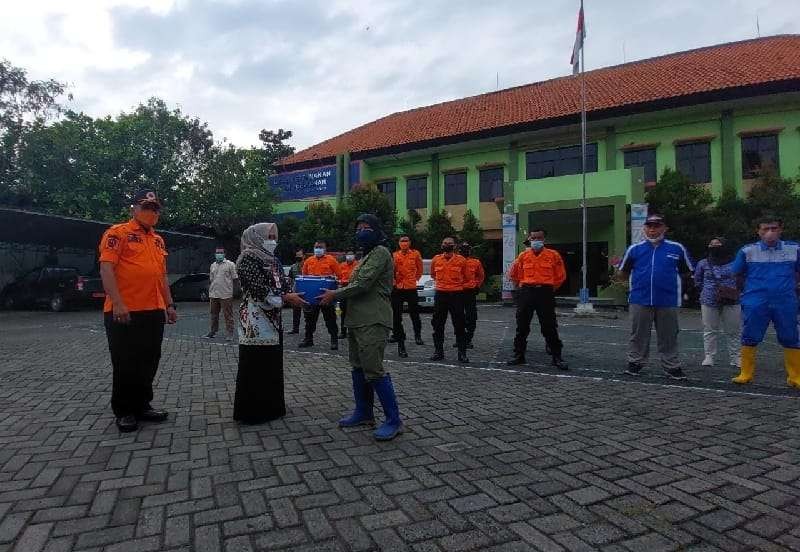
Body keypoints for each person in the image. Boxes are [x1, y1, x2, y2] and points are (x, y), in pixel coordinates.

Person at [98, 189, 178, 432]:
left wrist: (169, 304)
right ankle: (124, 411)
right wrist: (119, 303)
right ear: (133, 208)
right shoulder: (117, 233)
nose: (151, 212)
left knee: (149, 360)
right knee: (125, 362)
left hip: (153, 310)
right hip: (125, 310)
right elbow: (106, 269)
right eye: (146, 206)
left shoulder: (157, 240)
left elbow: (162, 276)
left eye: (155, 208)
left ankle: (143, 405)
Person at [319, 214, 402, 441]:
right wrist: (333, 287)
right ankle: (364, 412)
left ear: (376, 231)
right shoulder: (365, 257)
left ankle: (394, 420)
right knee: (358, 367)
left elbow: (363, 284)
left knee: (373, 369)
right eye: (358, 228)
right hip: (356, 320)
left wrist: (334, 294)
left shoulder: (381, 253)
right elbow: (354, 282)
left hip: (373, 320)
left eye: (366, 228)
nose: (360, 232)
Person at [233, 223, 306, 423]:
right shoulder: (247, 258)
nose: (272, 240)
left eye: (274, 236)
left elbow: (283, 284)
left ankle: (272, 407)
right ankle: (253, 411)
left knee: (272, 361)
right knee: (256, 363)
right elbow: (259, 288)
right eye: (269, 236)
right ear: (256, 237)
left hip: (273, 318)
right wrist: (286, 297)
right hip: (255, 318)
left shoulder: (272, 259)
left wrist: (290, 292)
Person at [619, 214, 693, 379]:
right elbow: (623, 272)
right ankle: (635, 363)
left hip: (668, 300)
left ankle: (672, 366)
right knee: (638, 334)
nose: (653, 229)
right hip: (639, 299)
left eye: (657, 226)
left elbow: (687, 272)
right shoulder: (634, 249)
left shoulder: (676, 248)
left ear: (664, 228)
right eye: (649, 226)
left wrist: (683, 292)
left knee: (669, 335)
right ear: (645, 228)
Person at [730, 216, 800, 387]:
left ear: (781, 230)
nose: (770, 233)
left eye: (774, 228)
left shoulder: (795, 249)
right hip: (755, 301)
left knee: (790, 336)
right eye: (765, 229)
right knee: (750, 335)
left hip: (785, 301)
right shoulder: (747, 251)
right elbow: (736, 273)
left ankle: (795, 377)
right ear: (758, 231)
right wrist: (746, 295)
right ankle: (745, 373)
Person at [506, 229, 568, 369]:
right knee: (522, 326)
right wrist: (521, 290)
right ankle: (519, 355)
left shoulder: (553, 255)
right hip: (526, 291)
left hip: (545, 293)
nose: (536, 240)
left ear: (544, 239)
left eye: (539, 237)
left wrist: (548, 288)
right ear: (530, 239)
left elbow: (560, 276)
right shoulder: (523, 256)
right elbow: (514, 274)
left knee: (549, 326)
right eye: (533, 238)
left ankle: (556, 356)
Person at [693, 238, 741, 368]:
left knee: (733, 330)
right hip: (708, 300)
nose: (714, 247)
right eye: (711, 244)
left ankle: (736, 357)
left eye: (718, 245)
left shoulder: (736, 262)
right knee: (709, 329)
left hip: (732, 300)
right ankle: (709, 356)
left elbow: (742, 278)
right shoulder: (703, 263)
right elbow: (697, 280)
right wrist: (706, 290)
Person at [430, 236, 470, 363]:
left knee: (459, 324)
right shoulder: (436, 259)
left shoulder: (461, 260)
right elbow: (433, 275)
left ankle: (462, 353)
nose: (447, 245)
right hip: (441, 294)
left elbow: (466, 277)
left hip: (456, 295)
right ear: (442, 245)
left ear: (455, 246)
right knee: (437, 324)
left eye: (450, 243)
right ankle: (438, 352)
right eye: (445, 243)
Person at [299, 240, 342, 350]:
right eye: (316, 247)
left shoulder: (331, 260)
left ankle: (334, 340)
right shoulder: (308, 261)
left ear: (325, 249)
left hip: (326, 295)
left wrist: (333, 282)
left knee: (330, 318)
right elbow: (304, 277)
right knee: (309, 320)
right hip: (312, 296)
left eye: (320, 247)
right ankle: (308, 339)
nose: (318, 249)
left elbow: (339, 275)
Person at [390, 235, 424, 358]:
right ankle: (397, 337)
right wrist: (394, 282)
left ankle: (417, 335)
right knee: (396, 315)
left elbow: (419, 269)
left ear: (410, 242)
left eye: (406, 241)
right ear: (398, 243)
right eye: (402, 241)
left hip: (411, 287)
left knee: (414, 313)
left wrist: (415, 279)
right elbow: (391, 271)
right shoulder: (394, 255)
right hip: (398, 288)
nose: (404, 243)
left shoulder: (415, 254)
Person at [205, 247, 237, 341]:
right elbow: (211, 279)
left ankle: (230, 333)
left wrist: (234, 292)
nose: (219, 254)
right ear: (215, 254)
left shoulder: (230, 264)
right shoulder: (213, 265)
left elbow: (235, 279)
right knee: (213, 314)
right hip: (214, 294)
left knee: (228, 315)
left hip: (226, 294)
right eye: (217, 253)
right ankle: (213, 331)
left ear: (224, 254)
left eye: (221, 252)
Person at [457, 242, 485, 350]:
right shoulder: (455, 261)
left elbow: (481, 276)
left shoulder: (475, 262)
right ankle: (459, 339)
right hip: (457, 291)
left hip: (470, 292)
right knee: (458, 316)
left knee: (471, 316)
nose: (464, 251)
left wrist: (477, 286)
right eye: (462, 249)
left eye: (466, 249)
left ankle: (468, 339)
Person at [338, 250, 359, 339]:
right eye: (348, 255)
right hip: (344, 289)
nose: (349, 256)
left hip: (354, 289)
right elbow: (338, 276)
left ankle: (355, 332)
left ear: (354, 256)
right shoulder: (341, 265)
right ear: (345, 256)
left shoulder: (358, 265)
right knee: (343, 312)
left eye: (351, 254)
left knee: (355, 312)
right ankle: (343, 332)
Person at [287, 248, 305, 334]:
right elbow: (290, 279)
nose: (298, 258)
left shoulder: (309, 265)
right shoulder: (293, 267)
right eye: (297, 257)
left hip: (306, 291)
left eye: (300, 256)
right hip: (296, 291)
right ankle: (295, 328)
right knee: (296, 312)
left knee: (308, 312)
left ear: (304, 256)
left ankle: (308, 331)